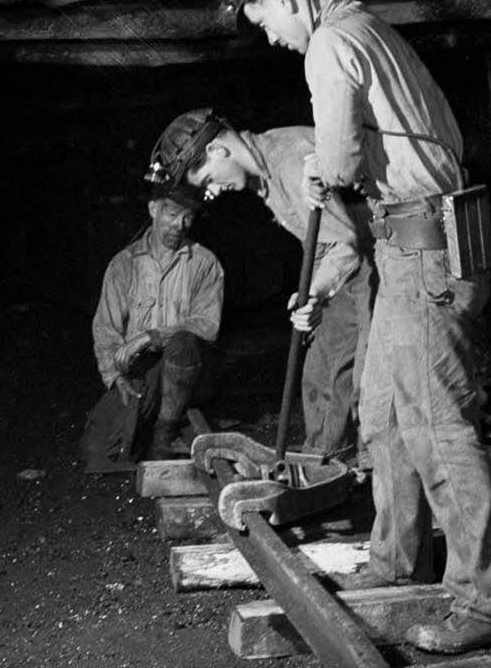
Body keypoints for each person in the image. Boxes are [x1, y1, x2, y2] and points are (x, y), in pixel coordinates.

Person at [229, 0, 491, 655]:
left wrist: (315, 180)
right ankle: (398, 560)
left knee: (437, 424)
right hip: (410, 245)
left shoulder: (329, 43)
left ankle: (487, 601)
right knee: (386, 414)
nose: (271, 36)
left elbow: (338, 160)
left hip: (426, 247)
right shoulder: (367, 27)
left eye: (264, 20)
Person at [146, 108, 372, 459]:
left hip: (379, 258)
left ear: (217, 151)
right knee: (322, 373)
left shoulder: (289, 161)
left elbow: (345, 244)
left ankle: (351, 465)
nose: (214, 191)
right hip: (349, 267)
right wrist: (313, 294)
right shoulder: (265, 167)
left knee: (365, 383)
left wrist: (315, 291)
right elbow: (321, 241)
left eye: (208, 180)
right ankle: (324, 463)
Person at [79, 183, 223, 471]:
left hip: (190, 372)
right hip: (143, 373)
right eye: (172, 214)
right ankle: (146, 425)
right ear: (153, 209)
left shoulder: (205, 263)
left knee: (182, 343)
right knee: (97, 452)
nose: (179, 225)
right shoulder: (124, 264)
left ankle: (163, 436)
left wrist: (152, 336)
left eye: (188, 217)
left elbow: (207, 326)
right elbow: (106, 329)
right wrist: (114, 377)